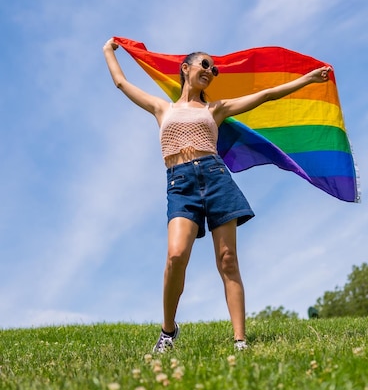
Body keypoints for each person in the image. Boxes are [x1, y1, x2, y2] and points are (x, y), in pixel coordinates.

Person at [103, 38, 331, 353]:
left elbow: (265, 96)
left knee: (227, 260)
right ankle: (168, 332)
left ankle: (240, 341)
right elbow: (121, 82)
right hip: (180, 184)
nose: (211, 71)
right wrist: (108, 51)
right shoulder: (162, 108)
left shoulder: (216, 109)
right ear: (186, 69)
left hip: (216, 179)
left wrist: (306, 80)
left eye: (215, 68)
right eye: (205, 65)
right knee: (175, 256)